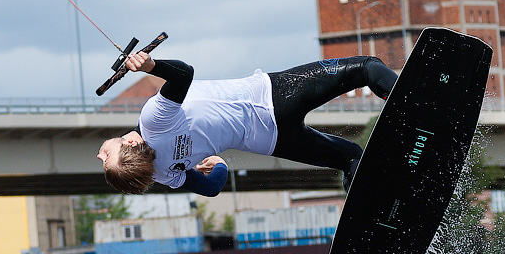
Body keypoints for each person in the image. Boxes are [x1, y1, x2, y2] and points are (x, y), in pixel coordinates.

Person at [97, 52, 399, 196]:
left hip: (268, 140)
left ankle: (370, 206)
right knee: (366, 68)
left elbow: (211, 187)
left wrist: (218, 163)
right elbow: (184, 74)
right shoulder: (153, 121)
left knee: (350, 157)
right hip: (270, 98)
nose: (99, 155)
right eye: (107, 156)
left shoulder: (165, 173)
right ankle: (414, 107)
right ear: (131, 143)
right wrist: (152, 66)